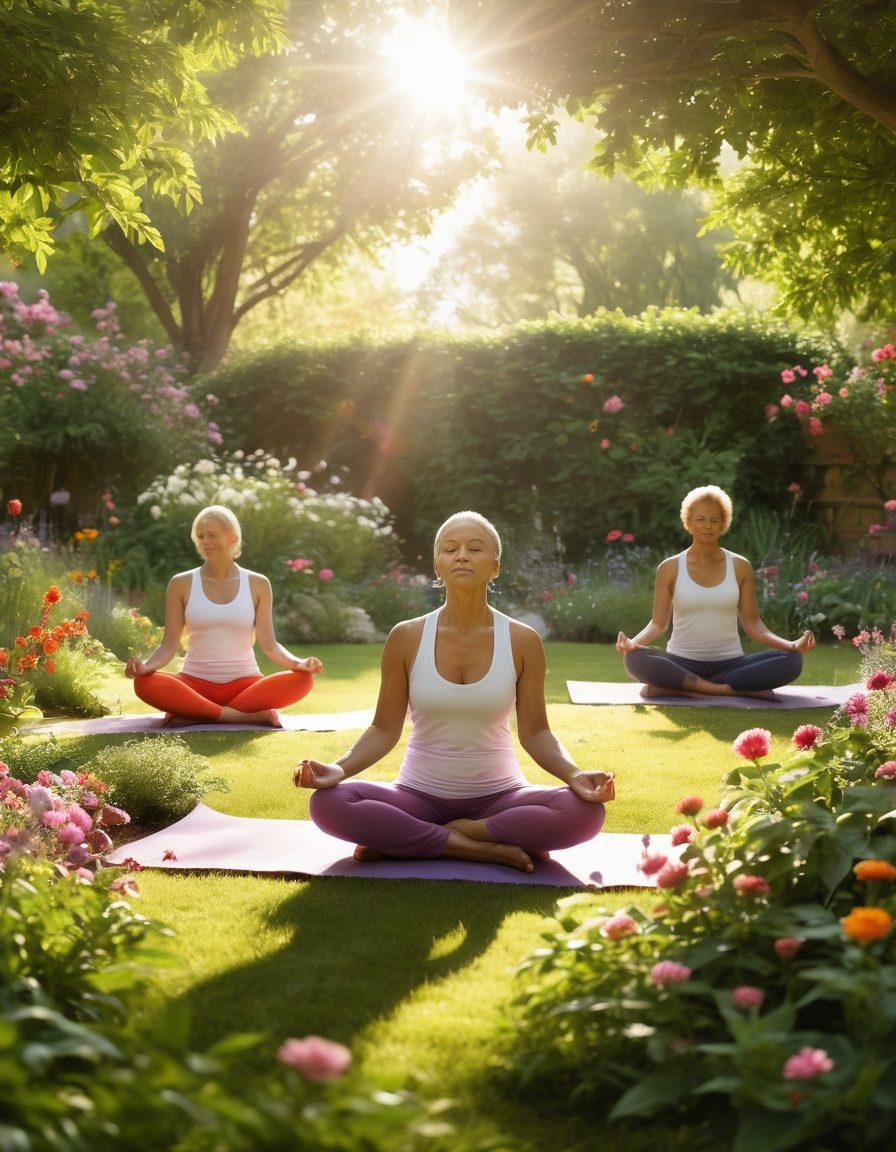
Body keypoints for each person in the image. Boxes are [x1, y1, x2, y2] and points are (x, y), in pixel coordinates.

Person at [294, 511, 615, 872]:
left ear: (495, 567)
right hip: (416, 795)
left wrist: (573, 774)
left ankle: (424, 837)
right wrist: (338, 769)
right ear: (438, 566)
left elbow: (537, 733)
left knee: (584, 812)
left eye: (474, 548)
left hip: (501, 797)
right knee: (329, 803)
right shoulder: (406, 637)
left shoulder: (523, 641)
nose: (461, 555)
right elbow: (384, 729)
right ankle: (479, 847)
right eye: (450, 549)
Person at [124, 504, 321, 725]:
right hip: (194, 683)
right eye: (200, 536)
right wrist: (145, 667)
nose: (205, 542)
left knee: (304, 680)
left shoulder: (258, 584)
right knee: (143, 683)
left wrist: (298, 663)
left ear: (232, 538)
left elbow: (270, 645)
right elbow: (168, 646)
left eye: (212, 535)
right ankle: (239, 716)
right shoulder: (181, 583)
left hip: (245, 685)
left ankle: (195, 712)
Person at [617, 485, 814, 698]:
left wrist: (792, 645)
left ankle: (680, 687)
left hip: (731, 665)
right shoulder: (669, 568)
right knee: (634, 658)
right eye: (700, 519)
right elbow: (658, 624)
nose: (708, 526)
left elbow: (754, 625)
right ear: (689, 522)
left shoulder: (740, 566)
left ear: (723, 524)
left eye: (714, 520)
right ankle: (731, 690)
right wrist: (632, 644)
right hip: (680, 663)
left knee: (792, 660)